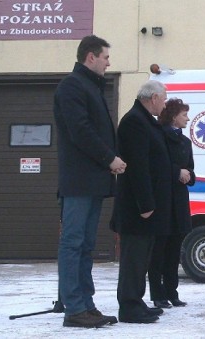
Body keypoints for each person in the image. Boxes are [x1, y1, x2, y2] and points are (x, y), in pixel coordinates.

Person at [53, 35, 126, 328]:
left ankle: (86, 304)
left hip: (92, 182)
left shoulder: (91, 87)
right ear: (90, 57)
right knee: (73, 243)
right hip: (79, 182)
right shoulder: (72, 86)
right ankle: (74, 308)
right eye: (106, 57)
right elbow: (80, 131)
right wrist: (109, 158)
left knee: (85, 245)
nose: (109, 62)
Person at [111, 80, 172, 323]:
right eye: (164, 99)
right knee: (133, 259)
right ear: (153, 98)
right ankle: (129, 306)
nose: (165, 104)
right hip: (138, 209)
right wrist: (145, 205)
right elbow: (138, 167)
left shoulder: (146, 121)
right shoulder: (135, 121)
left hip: (148, 207)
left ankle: (136, 301)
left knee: (142, 258)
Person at [148, 98, 195, 309]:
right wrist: (177, 172)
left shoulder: (185, 142)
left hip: (179, 200)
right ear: (174, 116)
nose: (187, 118)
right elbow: (157, 166)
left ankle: (172, 292)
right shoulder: (159, 136)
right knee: (159, 250)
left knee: (174, 250)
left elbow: (191, 170)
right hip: (162, 200)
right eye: (184, 114)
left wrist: (188, 176)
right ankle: (158, 294)